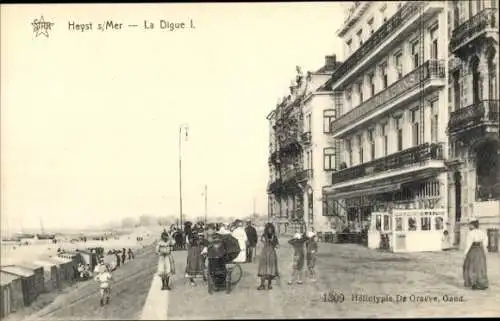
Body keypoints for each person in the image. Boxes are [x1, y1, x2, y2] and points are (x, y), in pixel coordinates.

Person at [463, 217, 489, 290]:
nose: (469, 226)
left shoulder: (470, 233)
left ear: (472, 225)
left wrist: (465, 254)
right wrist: (485, 252)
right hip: (480, 251)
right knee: (480, 267)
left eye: (469, 225)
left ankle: (473, 283)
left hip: (473, 251)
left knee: (471, 266)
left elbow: (468, 245)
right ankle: (481, 283)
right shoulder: (482, 232)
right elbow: (485, 244)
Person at [257, 223, 279, 290]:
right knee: (263, 268)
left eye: (271, 229)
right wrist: (268, 241)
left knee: (271, 269)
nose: (270, 230)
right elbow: (263, 241)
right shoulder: (264, 236)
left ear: (273, 229)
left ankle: (269, 284)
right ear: (266, 229)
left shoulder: (274, 237)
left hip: (272, 253)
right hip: (265, 253)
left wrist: (274, 243)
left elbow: (277, 246)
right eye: (268, 229)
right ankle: (262, 284)